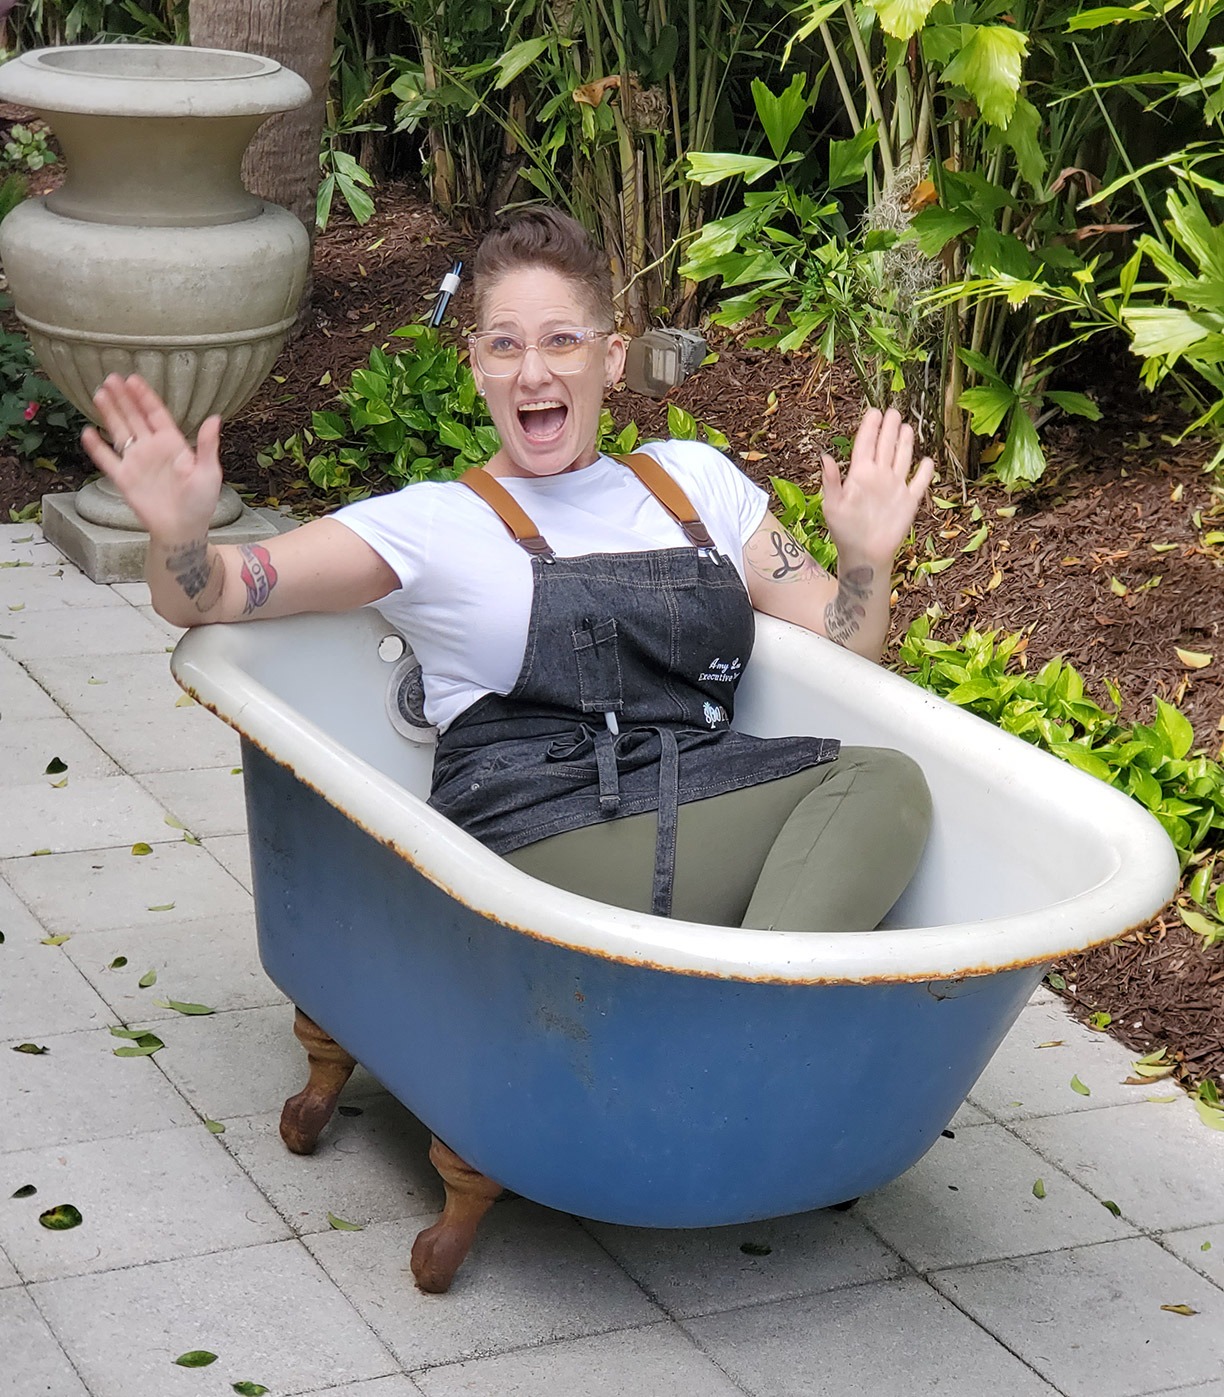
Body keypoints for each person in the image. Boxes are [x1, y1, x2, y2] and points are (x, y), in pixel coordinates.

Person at [83, 207, 935, 931]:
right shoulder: (434, 523)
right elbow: (217, 592)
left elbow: (844, 639)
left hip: (689, 792)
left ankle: (719, 1020)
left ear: (609, 357)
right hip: (530, 839)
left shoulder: (694, 482)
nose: (534, 371)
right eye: (505, 344)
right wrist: (181, 534)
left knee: (879, 787)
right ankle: (745, 1045)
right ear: (478, 368)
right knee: (882, 786)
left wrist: (866, 556)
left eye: (562, 340)